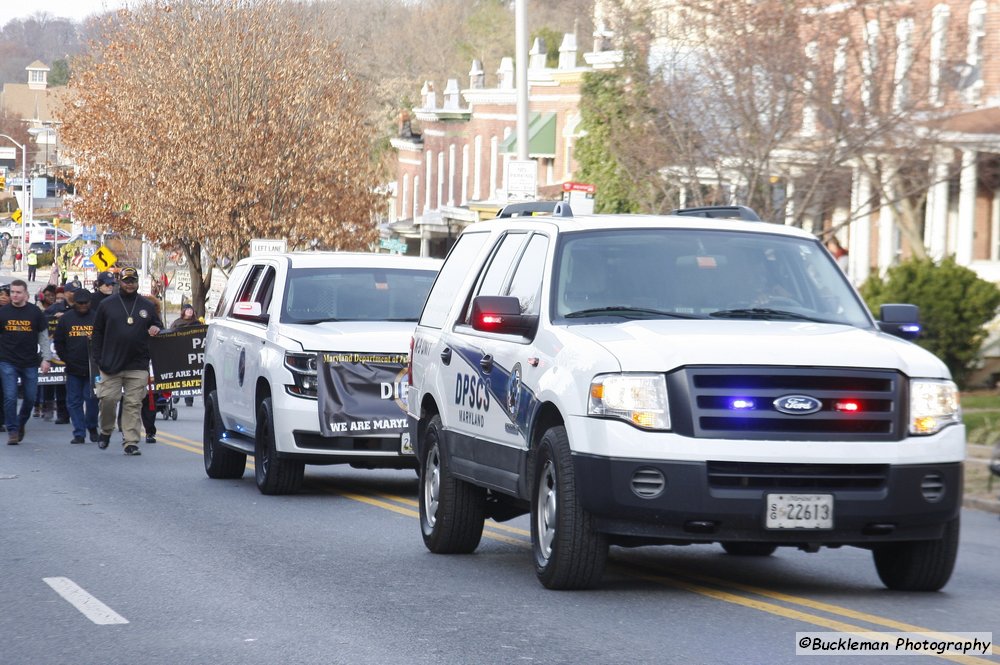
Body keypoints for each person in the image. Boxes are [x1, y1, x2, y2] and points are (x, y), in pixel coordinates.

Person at [91, 267, 162, 456]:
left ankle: (130, 442)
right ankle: (106, 431)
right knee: (108, 400)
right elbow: (96, 333)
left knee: (133, 404)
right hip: (111, 364)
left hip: (137, 364)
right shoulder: (107, 305)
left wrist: (155, 326)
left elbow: (158, 323)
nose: (129, 284)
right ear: (119, 282)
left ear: (137, 282)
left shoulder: (146, 305)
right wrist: (98, 358)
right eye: (126, 281)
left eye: (133, 281)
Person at [0, 279, 53, 444]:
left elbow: (43, 337)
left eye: (18, 292)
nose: (14, 295)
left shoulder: (35, 312)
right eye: (12, 292)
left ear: (26, 294)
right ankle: (13, 430)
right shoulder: (3, 312)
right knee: (10, 396)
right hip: (7, 360)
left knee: (30, 397)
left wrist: (46, 358)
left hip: (30, 361)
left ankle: (21, 422)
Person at [54, 288, 99, 444]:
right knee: (74, 402)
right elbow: (58, 342)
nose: (82, 306)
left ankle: (92, 426)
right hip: (73, 368)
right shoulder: (66, 319)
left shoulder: (97, 318)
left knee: (92, 400)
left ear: (90, 303)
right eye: (79, 303)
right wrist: (66, 359)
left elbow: (105, 340)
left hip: (93, 369)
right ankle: (79, 433)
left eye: (85, 303)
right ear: (74, 303)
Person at [171, 303, 202, 407]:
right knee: (178, 375)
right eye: (187, 310)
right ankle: (176, 395)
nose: (190, 311)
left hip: (191, 353)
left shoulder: (197, 323)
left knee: (191, 376)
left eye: (191, 310)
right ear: (183, 311)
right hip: (179, 352)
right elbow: (170, 335)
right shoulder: (177, 323)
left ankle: (189, 400)